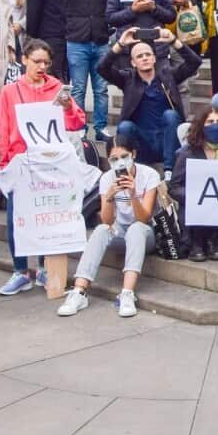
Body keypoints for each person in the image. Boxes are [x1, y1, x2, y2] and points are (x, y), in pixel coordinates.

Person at [0, 39, 87, 296]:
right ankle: (20, 271)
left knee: (47, 216)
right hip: (21, 160)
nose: (42, 67)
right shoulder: (10, 91)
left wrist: (68, 106)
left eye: (46, 62)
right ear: (24, 59)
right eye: (37, 61)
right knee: (17, 217)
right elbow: (4, 126)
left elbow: (76, 121)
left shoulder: (57, 86)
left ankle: (43, 268)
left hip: (50, 162)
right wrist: (4, 162)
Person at [57, 136, 158, 318]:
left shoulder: (149, 174)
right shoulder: (107, 178)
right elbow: (106, 221)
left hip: (145, 233)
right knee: (101, 230)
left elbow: (144, 218)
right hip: (119, 230)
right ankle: (79, 291)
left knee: (136, 228)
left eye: (124, 156)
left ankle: (127, 293)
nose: (119, 162)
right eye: (113, 159)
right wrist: (110, 196)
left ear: (133, 154)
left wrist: (133, 194)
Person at [97, 28, 202, 169]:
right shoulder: (127, 79)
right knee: (125, 127)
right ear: (133, 63)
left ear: (154, 59)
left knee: (170, 115)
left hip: (168, 141)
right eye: (140, 56)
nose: (145, 58)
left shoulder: (168, 75)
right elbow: (101, 68)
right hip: (142, 144)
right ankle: (129, 170)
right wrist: (120, 44)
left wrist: (173, 41)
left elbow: (194, 62)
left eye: (148, 55)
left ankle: (169, 172)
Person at [169, 107, 218, 261]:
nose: (215, 125)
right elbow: (174, 187)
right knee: (196, 200)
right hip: (195, 202)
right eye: (210, 122)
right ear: (201, 126)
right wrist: (192, 194)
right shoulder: (188, 153)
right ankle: (197, 241)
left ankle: (214, 239)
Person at [52, 0, 114, 138]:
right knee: (78, 88)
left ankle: (101, 127)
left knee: (101, 89)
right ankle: (78, 127)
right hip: (77, 41)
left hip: (101, 40)